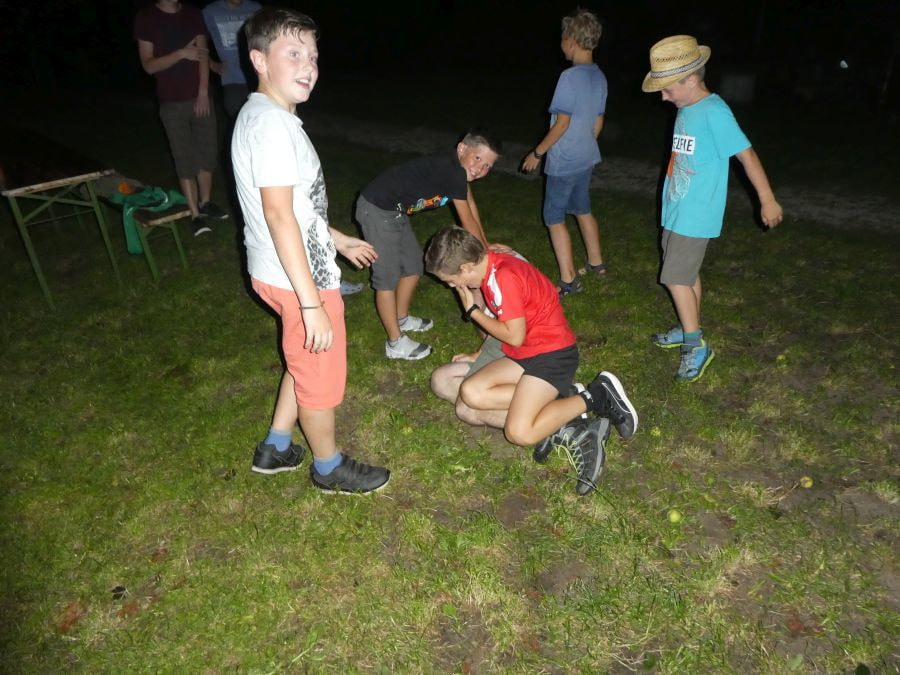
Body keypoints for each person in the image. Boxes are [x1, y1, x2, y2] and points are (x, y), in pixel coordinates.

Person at [231, 7, 389, 493]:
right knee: (318, 374)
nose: (308, 66)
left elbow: (294, 207)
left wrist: (335, 238)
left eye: (314, 56)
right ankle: (328, 467)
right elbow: (278, 215)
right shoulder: (273, 127)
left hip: (280, 268)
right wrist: (311, 302)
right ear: (259, 60)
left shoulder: (266, 116)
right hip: (298, 279)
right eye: (294, 54)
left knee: (303, 357)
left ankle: (276, 446)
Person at [424, 226, 638, 496]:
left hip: (551, 355)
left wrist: (473, 311)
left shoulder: (503, 277)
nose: (450, 286)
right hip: (526, 351)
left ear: (466, 267)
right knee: (470, 392)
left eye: (449, 280)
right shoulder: (492, 265)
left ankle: (596, 396)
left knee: (519, 433)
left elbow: (513, 336)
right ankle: (559, 402)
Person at [641, 35, 784, 382]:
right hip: (678, 209)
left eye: (667, 89)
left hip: (697, 213)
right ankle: (688, 325)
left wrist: (766, 198)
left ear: (691, 80)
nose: (663, 97)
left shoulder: (714, 111)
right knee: (685, 273)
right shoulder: (687, 107)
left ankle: (695, 345)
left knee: (674, 276)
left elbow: (746, 154)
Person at [356, 130, 502, 360]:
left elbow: (472, 208)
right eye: (477, 158)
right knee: (386, 279)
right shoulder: (452, 170)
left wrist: (486, 244)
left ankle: (401, 318)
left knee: (414, 265)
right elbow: (466, 221)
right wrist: (486, 257)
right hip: (377, 209)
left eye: (487, 166)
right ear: (462, 148)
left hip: (395, 212)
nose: (480, 169)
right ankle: (395, 343)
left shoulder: (457, 172)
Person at [521, 8, 607, 298]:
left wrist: (537, 153)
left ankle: (569, 280)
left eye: (562, 38)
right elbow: (598, 122)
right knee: (582, 208)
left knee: (554, 216)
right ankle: (597, 264)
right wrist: (586, 144)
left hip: (565, 161)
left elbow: (561, 123)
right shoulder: (599, 76)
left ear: (571, 40)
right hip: (587, 156)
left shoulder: (569, 78)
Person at [135, 0, 231, 236]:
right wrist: (180, 54)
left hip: (201, 98)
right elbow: (149, 66)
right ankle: (195, 215)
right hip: (171, 102)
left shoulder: (193, 14)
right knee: (183, 157)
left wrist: (203, 93)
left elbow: (203, 55)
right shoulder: (146, 18)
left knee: (208, 152)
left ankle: (206, 203)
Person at [202, 0, 261, 119]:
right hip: (232, 80)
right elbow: (197, 40)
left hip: (258, 78)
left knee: (262, 119)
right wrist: (211, 64)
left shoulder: (256, 9)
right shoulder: (210, 12)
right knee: (237, 120)